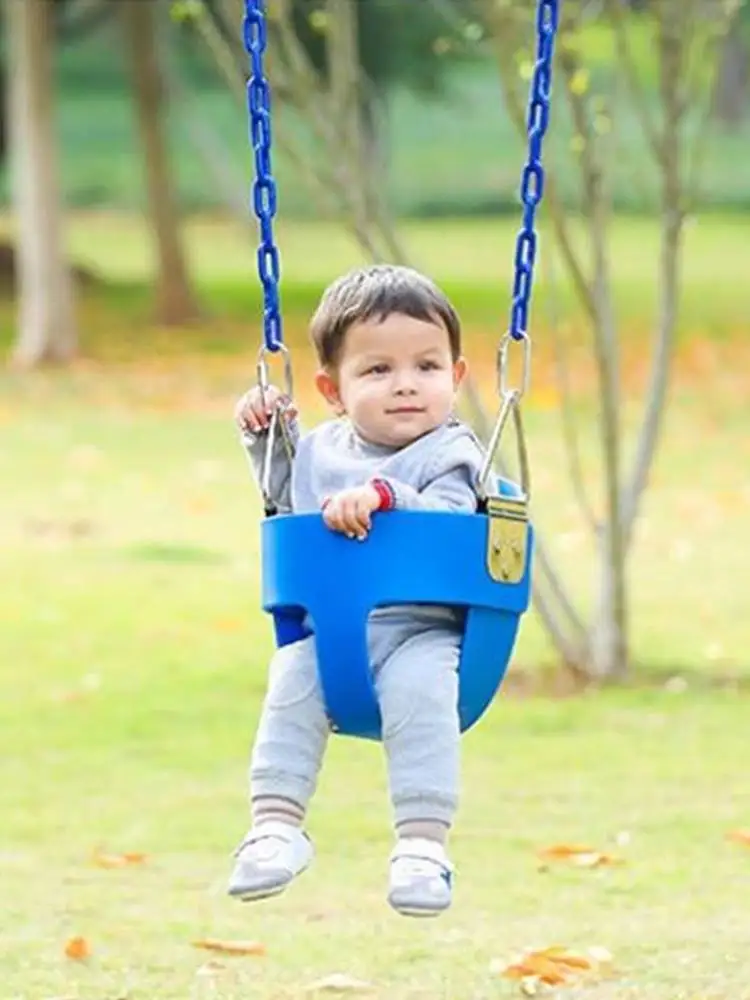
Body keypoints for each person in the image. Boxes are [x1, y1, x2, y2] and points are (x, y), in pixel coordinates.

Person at [229, 263, 486, 917]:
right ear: (333, 390)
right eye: (377, 371)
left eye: (427, 367)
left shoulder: (452, 452)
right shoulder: (320, 451)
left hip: (424, 632)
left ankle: (423, 846)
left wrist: (386, 497)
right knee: (291, 680)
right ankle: (276, 827)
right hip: (334, 634)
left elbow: (454, 518)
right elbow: (284, 496)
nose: (406, 385)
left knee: (422, 694)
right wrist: (264, 436)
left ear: (454, 377)